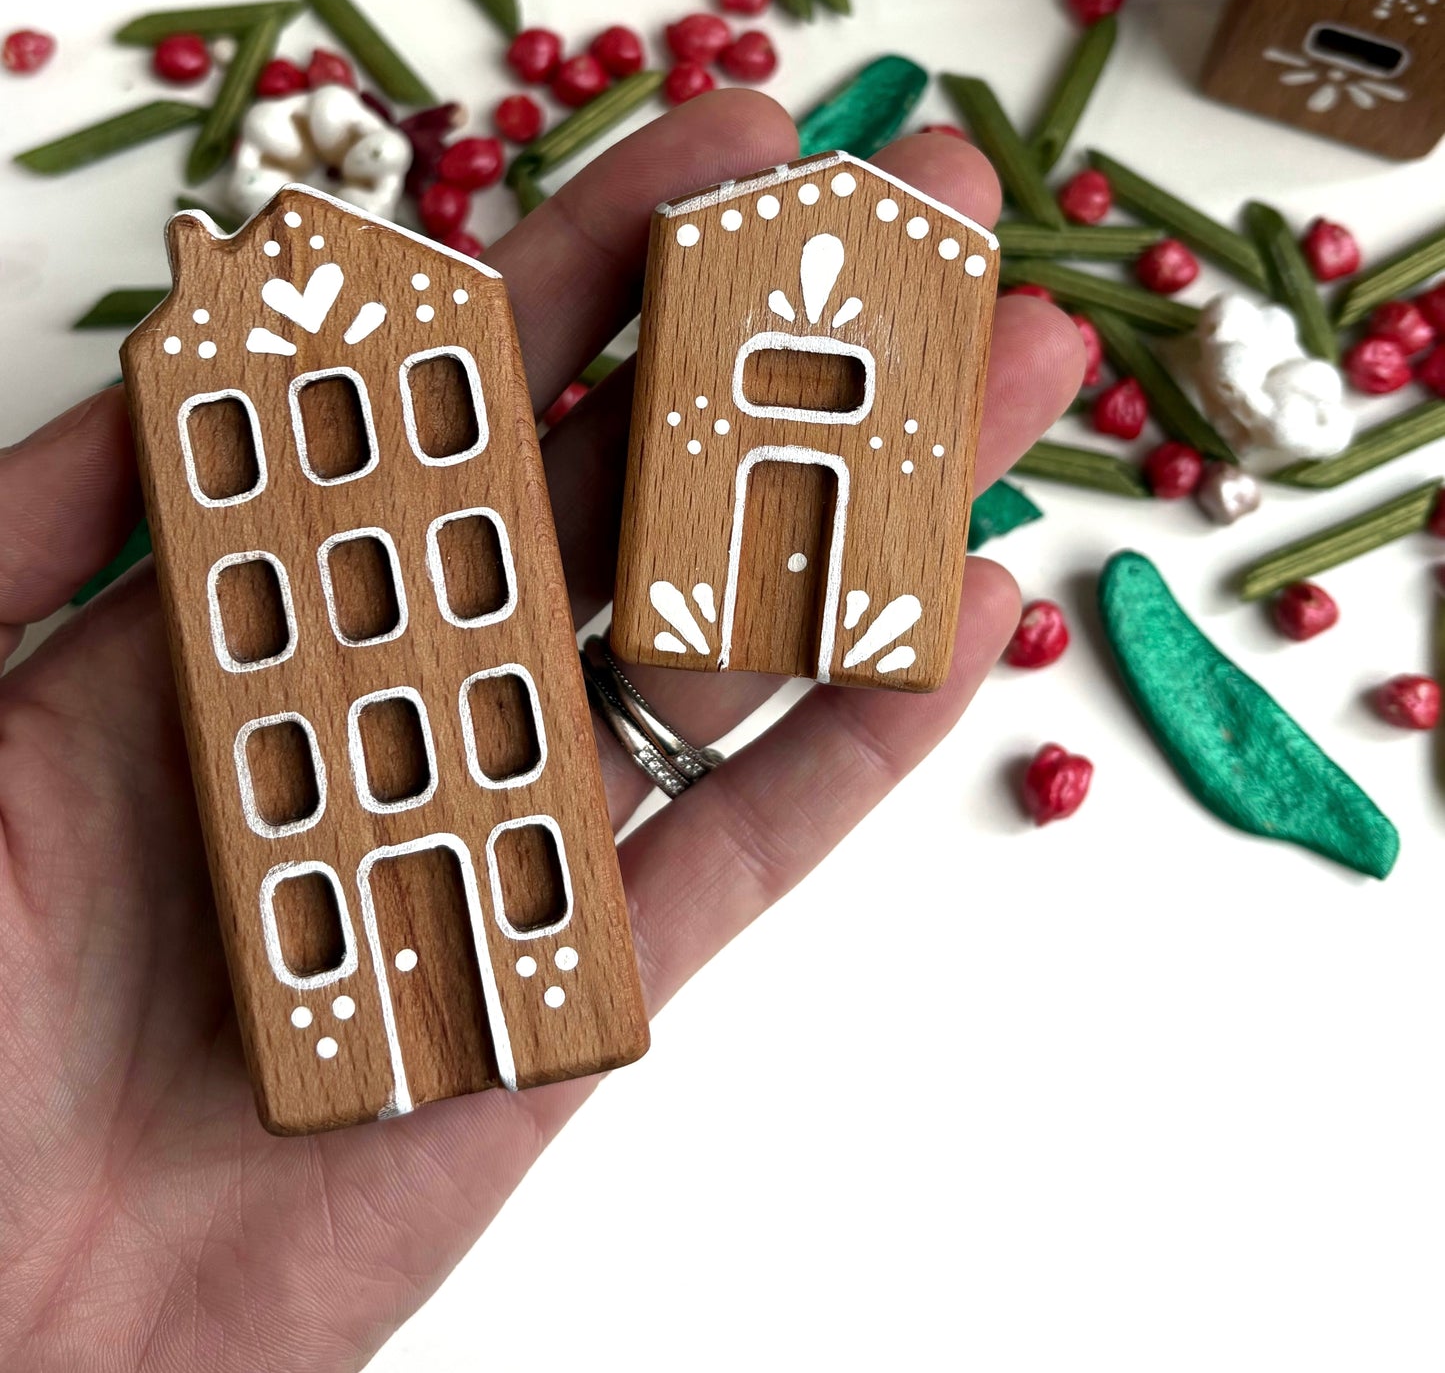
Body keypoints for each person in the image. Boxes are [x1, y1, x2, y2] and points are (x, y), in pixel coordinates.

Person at [0, 92, 1080, 1368]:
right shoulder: (288, 360)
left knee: (476, 844)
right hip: (358, 706)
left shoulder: (363, 347)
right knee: (402, 858)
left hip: (435, 672)